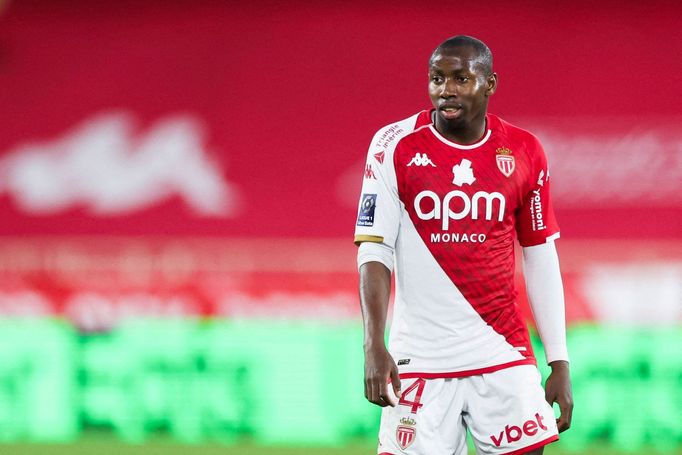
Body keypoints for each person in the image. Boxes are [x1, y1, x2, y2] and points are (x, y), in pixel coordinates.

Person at [354, 35, 573, 455]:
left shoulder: (525, 150)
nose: (445, 89)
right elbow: (374, 249)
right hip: (418, 361)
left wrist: (558, 361)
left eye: (460, 78)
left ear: (490, 83)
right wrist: (373, 344)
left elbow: (540, 255)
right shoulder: (393, 145)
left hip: (502, 352)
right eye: (437, 78)